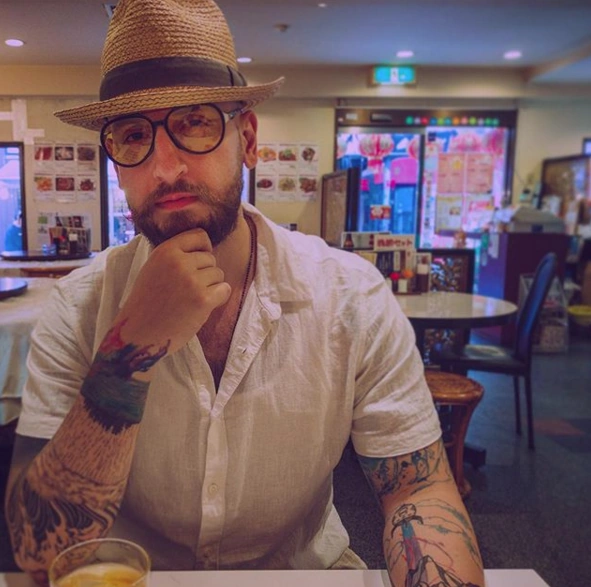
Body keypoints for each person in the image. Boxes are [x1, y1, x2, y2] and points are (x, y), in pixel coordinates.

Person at [5, 1, 484, 586]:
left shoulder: (351, 298)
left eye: (195, 123)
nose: (166, 168)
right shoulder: (78, 307)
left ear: (248, 139)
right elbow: (37, 551)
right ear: (117, 165)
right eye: (132, 136)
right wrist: (131, 349)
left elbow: (418, 490)